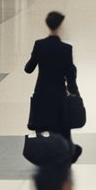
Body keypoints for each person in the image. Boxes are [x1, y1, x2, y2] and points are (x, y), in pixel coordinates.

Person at [25, 10, 81, 162]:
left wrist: (34, 57)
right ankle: (66, 153)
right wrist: (74, 92)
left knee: (42, 126)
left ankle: (42, 154)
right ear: (60, 26)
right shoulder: (66, 49)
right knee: (62, 127)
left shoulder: (39, 45)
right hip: (58, 95)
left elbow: (28, 69)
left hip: (41, 93)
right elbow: (70, 75)